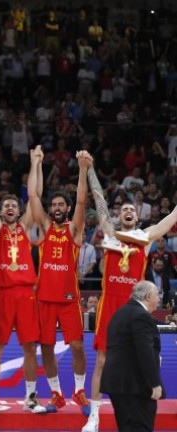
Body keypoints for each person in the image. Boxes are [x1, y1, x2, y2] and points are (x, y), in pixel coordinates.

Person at [82, 166, 177, 432]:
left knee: (139, 358)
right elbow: (99, 200)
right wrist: (89, 170)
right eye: (124, 209)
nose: (128, 212)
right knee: (101, 360)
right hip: (109, 304)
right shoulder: (109, 233)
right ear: (118, 214)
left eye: (132, 210)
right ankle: (94, 416)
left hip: (133, 309)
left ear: (138, 216)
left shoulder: (144, 239)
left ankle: (138, 408)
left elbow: (168, 220)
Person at [0, 148, 47, 414]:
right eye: (5, 206)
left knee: (30, 346)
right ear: (0, 211)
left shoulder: (25, 227)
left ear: (18, 210)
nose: (9, 207)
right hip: (2, 294)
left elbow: (34, 195)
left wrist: (34, 163)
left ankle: (31, 397)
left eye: (13, 205)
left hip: (27, 294)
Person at [28, 145, 92, 414]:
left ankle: (79, 390)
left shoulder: (74, 231)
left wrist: (82, 170)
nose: (56, 207)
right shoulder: (44, 228)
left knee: (77, 345)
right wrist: (36, 163)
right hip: (44, 299)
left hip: (68, 300)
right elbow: (33, 195)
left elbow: (81, 201)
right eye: (53, 204)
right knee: (46, 347)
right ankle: (55, 393)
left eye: (60, 205)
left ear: (65, 209)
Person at [100, 281, 164, 432]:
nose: (159, 300)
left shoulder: (120, 313)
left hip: (117, 385)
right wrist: (154, 383)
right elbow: (145, 351)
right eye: (157, 296)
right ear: (148, 296)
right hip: (135, 387)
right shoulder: (141, 316)